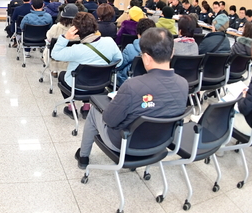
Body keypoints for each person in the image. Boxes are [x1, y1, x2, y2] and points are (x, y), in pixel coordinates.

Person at [75, 27, 188, 168]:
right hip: (161, 142)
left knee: (94, 111)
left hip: (125, 143)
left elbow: (109, 120)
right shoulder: (184, 84)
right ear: (172, 53)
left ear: (146, 57)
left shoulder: (133, 85)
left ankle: (83, 157)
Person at [51, 12, 122, 119]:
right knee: (89, 75)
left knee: (62, 75)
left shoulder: (76, 49)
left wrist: (65, 37)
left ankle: (71, 107)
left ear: (76, 30)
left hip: (78, 88)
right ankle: (86, 107)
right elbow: (119, 62)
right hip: (101, 86)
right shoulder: (110, 42)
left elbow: (54, 54)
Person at [115, 18, 155, 87]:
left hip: (128, 83)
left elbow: (119, 66)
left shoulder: (130, 48)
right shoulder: (158, 50)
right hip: (150, 83)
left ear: (138, 34)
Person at [45, 4, 79, 77]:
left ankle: (54, 70)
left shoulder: (55, 28)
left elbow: (48, 38)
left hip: (55, 59)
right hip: (73, 59)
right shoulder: (80, 30)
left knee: (48, 45)